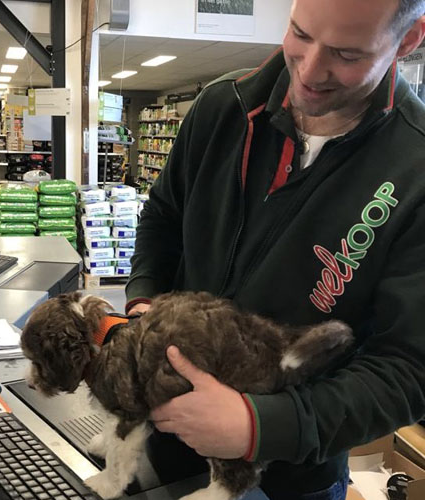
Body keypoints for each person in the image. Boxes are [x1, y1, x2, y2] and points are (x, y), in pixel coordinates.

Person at [125, 0, 425, 499]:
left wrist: (260, 424)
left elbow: (409, 368)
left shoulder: (416, 167)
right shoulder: (221, 107)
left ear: (409, 40)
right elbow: (164, 216)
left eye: (347, 54)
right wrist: (145, 301)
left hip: (291, 476)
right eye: (300, 34)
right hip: (164, 442)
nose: (309, 71)